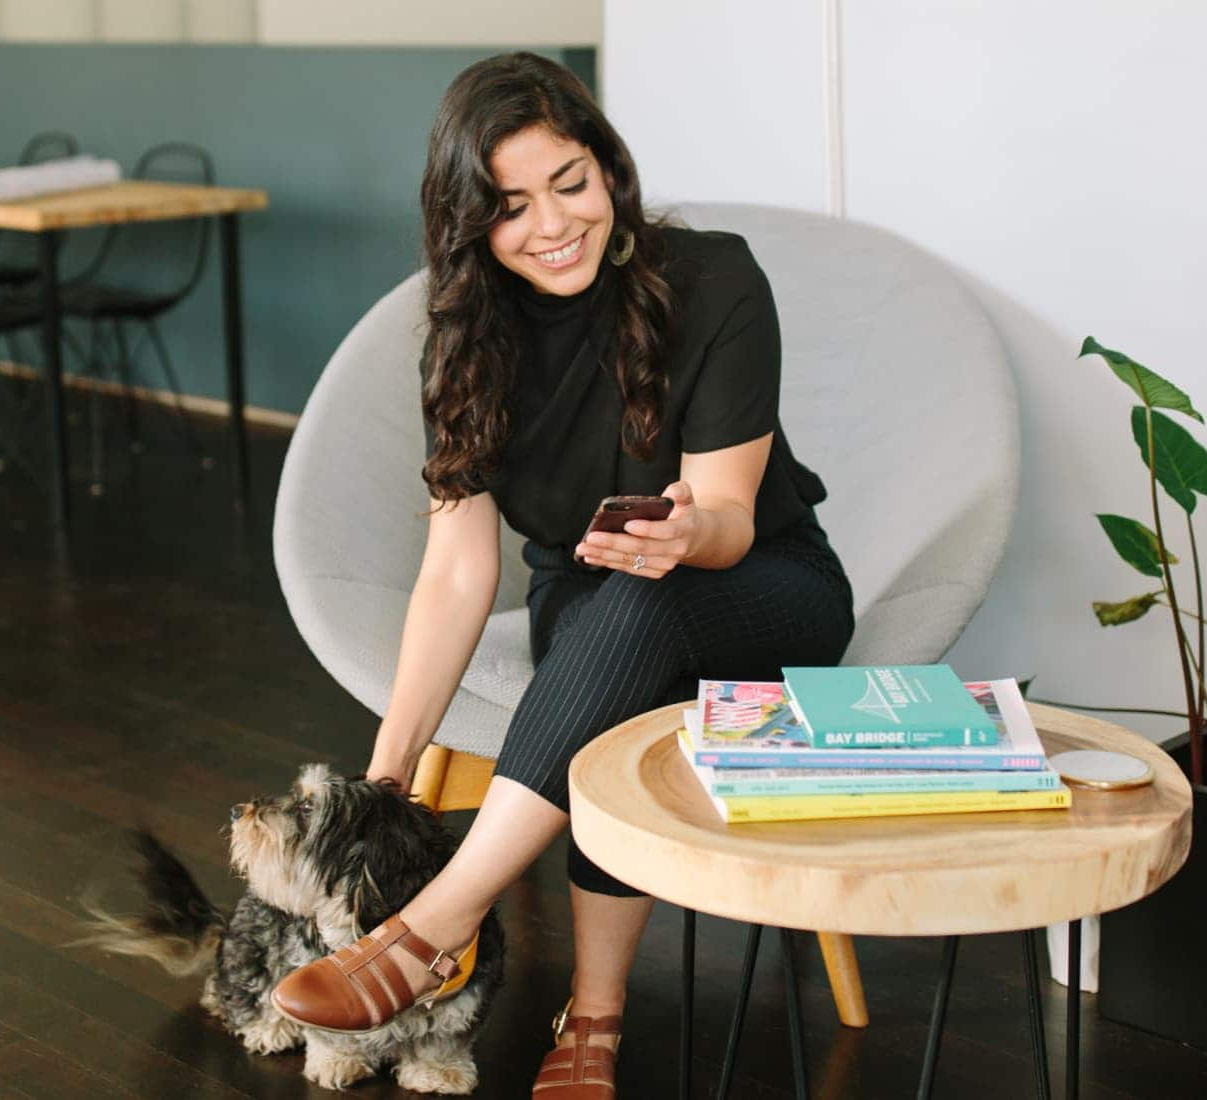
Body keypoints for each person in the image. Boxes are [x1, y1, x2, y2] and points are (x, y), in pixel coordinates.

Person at [268, 52, 854, 1095]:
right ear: (468, 222)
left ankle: (441, 926)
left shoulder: (714, 278)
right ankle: (588, 1016)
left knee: (636, 603)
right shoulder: (463, 344)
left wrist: (686, 535)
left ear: (609, 172)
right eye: (509, 204)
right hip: (594, 599)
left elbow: (722, 515)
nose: (550, 224)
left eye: (569, 183)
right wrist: (389, 770)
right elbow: (458, 569)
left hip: (767, 583)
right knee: (611, 645)